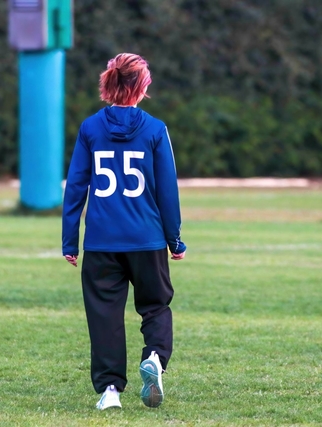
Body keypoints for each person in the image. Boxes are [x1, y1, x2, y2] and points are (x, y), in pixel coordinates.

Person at [62, 53, 187, 410]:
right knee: (156, 306)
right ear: (142, 87)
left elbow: (76, 186)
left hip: (101, 242)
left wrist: (70, 240)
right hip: (147, 239)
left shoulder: (90, 128)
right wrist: (174, 239)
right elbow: (167, 190)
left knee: (104, 316)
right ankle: (155, 358)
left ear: (109, 83)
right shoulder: (155, 129)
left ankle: (110, 392)